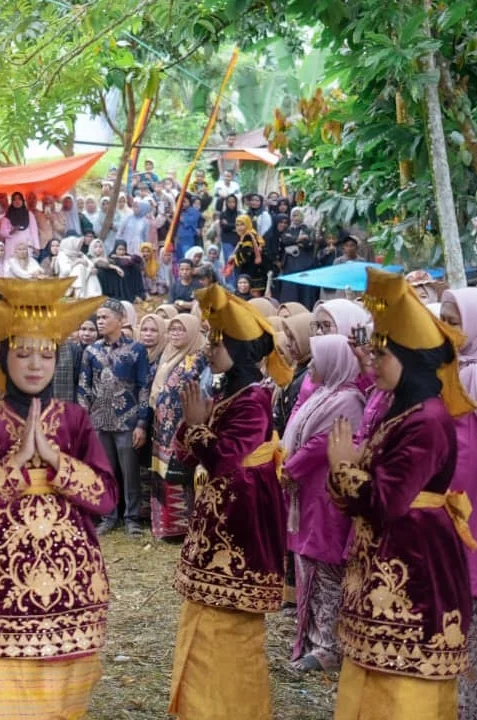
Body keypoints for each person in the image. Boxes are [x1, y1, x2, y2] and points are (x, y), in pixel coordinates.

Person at [0, 278, 115, 718]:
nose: (34, 365)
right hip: (3, 581)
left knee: (66, 695)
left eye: (46, 354)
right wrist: (17, 461)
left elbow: (106, 497)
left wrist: (56, 460)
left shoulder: (75, 419)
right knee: (10, 693)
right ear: (5, 356)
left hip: (73, 581)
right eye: (23, 353)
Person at [326, 268, 476, 720]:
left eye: (381, 354)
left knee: (402, 691)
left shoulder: (427, 420)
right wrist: (350, 470)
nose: (371, 362)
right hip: (390, 558)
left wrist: (345, 469)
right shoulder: (403, 409)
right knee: (374, 675)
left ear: (408, 358)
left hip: (415, 565)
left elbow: (386, 502)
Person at [168, 283, 292, 720]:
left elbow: (229, 464)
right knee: (204, 620)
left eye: (218, 341)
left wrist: (198, 428)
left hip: (240, 528)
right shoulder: (231, 393)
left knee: (228, 629)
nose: (209, 348)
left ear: (239, 348)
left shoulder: (254, 399)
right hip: (220, 522)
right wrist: (194, 425)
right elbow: (194, 454)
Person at [280, 335, 365, 672]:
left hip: (327, 499)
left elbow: (321, 444)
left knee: (325, 571)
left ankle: (328, 646)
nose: (312, 365)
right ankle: (310, 637)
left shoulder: (349, 400)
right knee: (307, 568)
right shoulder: (323, 393)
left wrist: (290, 467)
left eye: (318, 358)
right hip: (307, 496)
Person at [439, 289, 477, 718]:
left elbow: (462, 457)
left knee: (472, 620)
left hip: (471, 518)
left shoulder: (474, 373)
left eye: (453, 321)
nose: (445, 328)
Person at [79, 299, 151, 536]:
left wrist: (142, 423)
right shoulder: (91, 351)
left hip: (127, 421)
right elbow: (84, 387)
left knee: (130, 471)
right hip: (99, 421)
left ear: (120, 320)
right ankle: (109, 516)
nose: (100, 321)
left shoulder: (136, 349)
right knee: (105, 471)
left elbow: (143, 386)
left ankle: (132, 518)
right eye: (98, 317)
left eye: (105, 317)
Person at [148, 314, 209, 541]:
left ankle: (185, 528)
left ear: (192, 332)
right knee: (164, 472)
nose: (175, 334)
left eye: (180, 329)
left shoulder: (199, 358)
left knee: (183, 474)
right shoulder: (168, 354)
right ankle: (166, 527)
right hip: (163, 427)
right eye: (172, 329)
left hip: (183, 426)